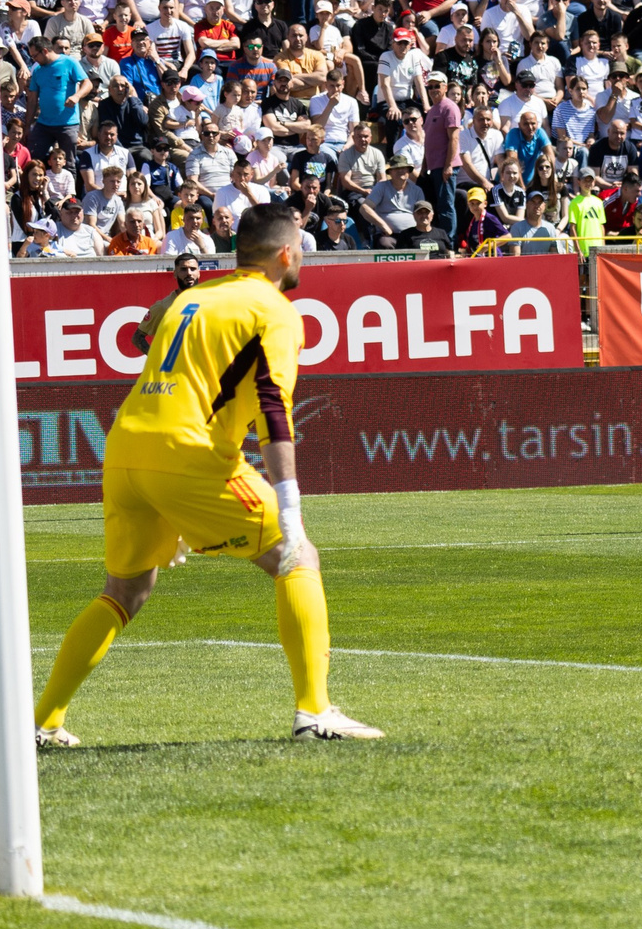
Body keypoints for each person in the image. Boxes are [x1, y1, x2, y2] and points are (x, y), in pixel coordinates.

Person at [33, 202, 381, 743]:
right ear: (287, 253)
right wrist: (290, 511)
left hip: (126, 449)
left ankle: (44, 720)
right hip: (188, 454)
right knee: (297, 556)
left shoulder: (190, 299)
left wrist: (167, 505)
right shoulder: (274, 310)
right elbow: (273, 407)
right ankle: (315, 712)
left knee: (124, 591)